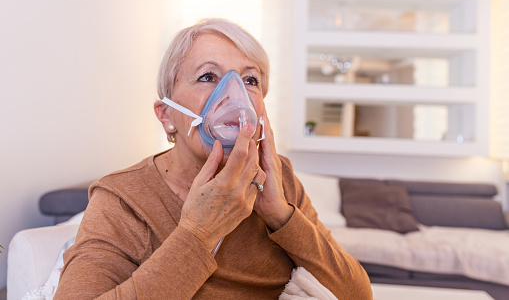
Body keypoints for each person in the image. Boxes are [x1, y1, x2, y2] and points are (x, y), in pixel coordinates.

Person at [54, 18, 372, 299]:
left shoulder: (279, 177)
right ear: (166, 115)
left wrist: (281, 215)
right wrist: (198, 233)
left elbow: (357, 294)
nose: (235, 95)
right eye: (208, 76)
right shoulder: (124, 200)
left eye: (250, 80)